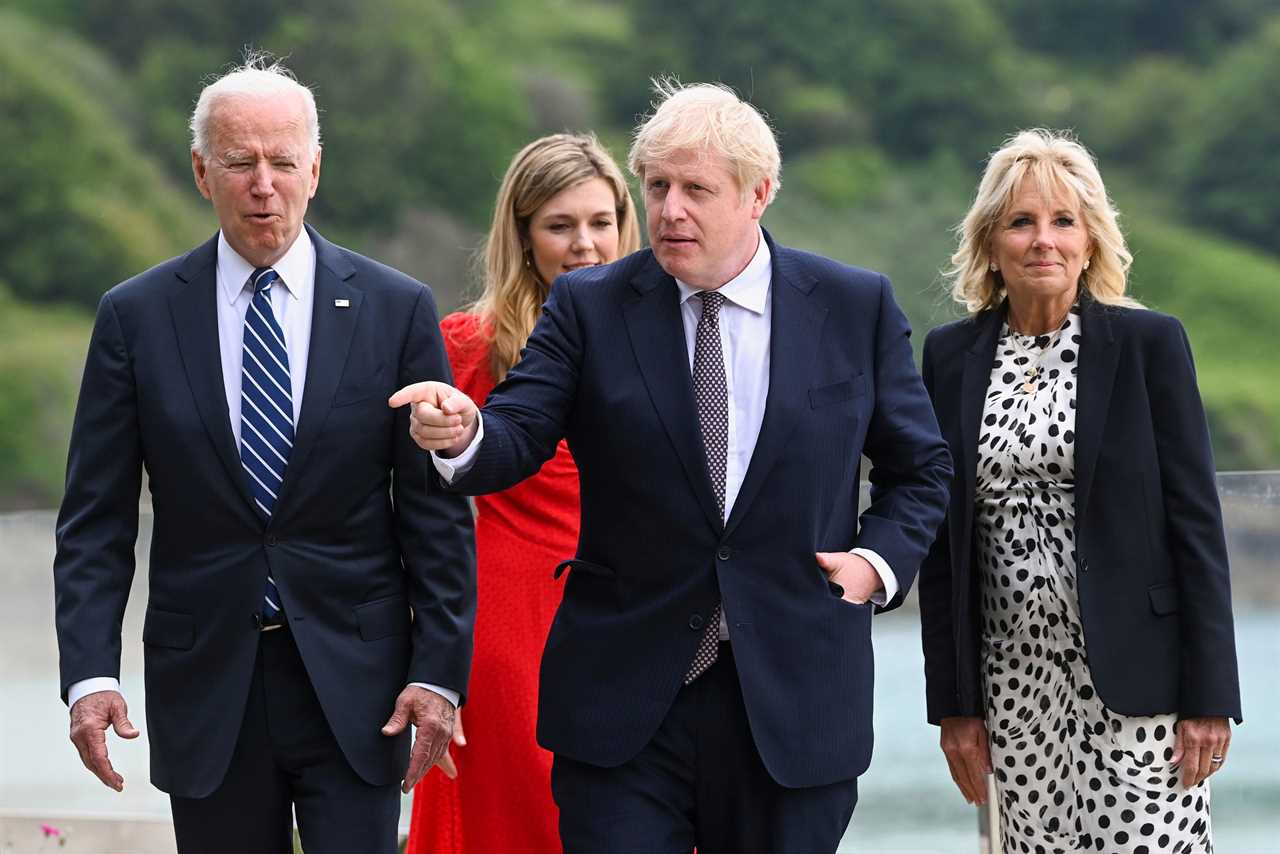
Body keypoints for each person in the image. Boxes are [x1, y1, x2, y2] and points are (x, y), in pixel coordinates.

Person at [391, 80, 952, 854]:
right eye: (655, 187)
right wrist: (461, 434)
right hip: (624, 703)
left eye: (695, 189)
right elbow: (517, 430)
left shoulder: (854, 306)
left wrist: (875, 564)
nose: (668, 210)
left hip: (792, 700)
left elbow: (920, 468)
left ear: (759, 194)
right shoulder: (591, 304)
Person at [52, 56, 475, 854]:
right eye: (240, 162)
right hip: (206, 682)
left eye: (283, 162)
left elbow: (435, 518)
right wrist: (90, 675)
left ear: (315, 170)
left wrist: (439, 671)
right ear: (200, 171)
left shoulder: (395, 310)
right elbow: (94, 521)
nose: (263, 184)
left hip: (360, 685)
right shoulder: (135, 317)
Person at [918, 128, 1241, 853]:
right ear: (991, 243)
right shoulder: (949, 358)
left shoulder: (1150, 346)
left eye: (1065, 221)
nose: (1044, 240)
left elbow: (1197, 527)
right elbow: (943, 551)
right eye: (1022, 221)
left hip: (1140, 691)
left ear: (1092, 240)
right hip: (1012, 694)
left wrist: (1210, 696)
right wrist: (954, 708)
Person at [405, 133, 640, 854]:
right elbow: (417, 501)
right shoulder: (467, 346)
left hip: (635, 612)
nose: (585, 245)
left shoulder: (667, 337)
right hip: (508, 622)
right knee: (523, 812)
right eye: (560, 226)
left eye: (601, 223)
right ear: (523, 235)